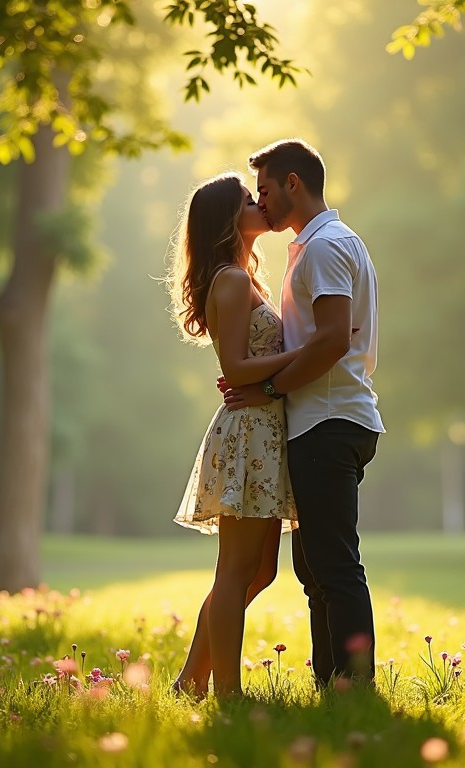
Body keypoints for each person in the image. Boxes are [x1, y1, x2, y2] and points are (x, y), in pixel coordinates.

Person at [221, 139, 384, 688]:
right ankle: (331, 681)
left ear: (294, 184)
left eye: (265, 190)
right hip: (325, 418)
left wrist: (270, 387)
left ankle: (354, 686)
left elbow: (333, 339)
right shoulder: (316, 246)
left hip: (330, 419)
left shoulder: (325, 246)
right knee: (315, 566)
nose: (260, 202)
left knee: (333, 565)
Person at [166, 172, 300, 698]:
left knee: (260, 570)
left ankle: (188, 681)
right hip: (249, 432)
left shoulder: (245, 277)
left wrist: (275, 382)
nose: (260, 205)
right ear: (229, 217)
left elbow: (249, 369)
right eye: (250, 201)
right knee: (235, 570)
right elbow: (237, 368)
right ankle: (225, 692)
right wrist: (310, 359)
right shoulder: (231, 280)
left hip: (263, 428)